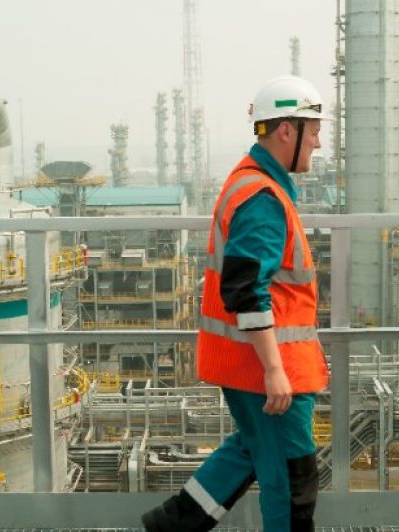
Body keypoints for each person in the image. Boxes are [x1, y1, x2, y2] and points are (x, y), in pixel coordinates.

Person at [141, 75, 331, 532]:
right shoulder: (262, 197)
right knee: (291, 480)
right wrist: (273, 371)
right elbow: (245, 289)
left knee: (250, 452)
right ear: (287, 129)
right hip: (267, 369)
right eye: (315, 128)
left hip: (255, 365)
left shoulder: (252, 182)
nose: (319, 142)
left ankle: (170, 525)